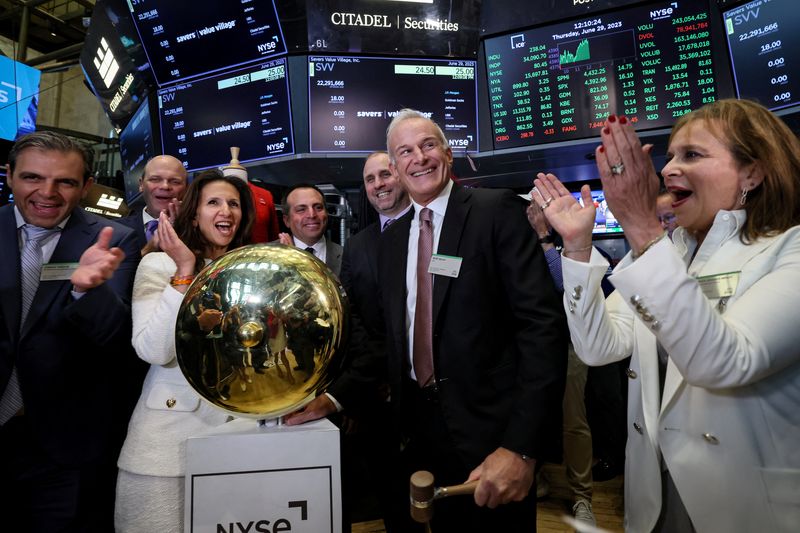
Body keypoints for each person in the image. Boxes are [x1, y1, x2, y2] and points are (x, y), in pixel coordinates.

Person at [533, 99, 800, 532]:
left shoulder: (789, 249)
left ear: (752, 172)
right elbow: (598, 346)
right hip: (655, 492)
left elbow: (726, 361)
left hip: (743, 500)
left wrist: (641, 225)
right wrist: (578, 247)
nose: (669, 169)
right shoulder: (672, 252)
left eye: (691, 155)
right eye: (671, 155)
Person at [379, 109, 567, 531]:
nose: (419, 158)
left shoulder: (496, 210)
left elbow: (542, 329)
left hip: (491, 438)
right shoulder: (390, 240)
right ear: (393, 168)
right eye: (405, 151)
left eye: (428, 145)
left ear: (447, 152)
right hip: (416, 436)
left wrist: (521, 449)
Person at [0, 131, 139, 531]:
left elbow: (115, 336)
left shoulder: (113, 241)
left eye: (65, 181)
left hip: (62, 446)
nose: (48, 193)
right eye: (32, 178)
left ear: (86, 186)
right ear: (9, 175)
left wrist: (85, 290)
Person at [115, 169, 254, 533]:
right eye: (214, 202)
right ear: (194, 214)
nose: (226, 210)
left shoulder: (250, 272)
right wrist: (185, 271)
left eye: (234, 204)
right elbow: (153, 350)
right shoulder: (159, 265)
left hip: (241, 443)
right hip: (165, 449)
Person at [286, 151, 411, 529]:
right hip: (351, 393)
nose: (311, 215)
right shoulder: (360, 246)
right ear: (287, 217)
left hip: (420, 396)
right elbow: (358, 324)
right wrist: (350, 394)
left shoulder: (349, 250)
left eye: (318, 207)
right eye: (370, 179)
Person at [526, 198, 596, 526]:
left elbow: (566, 285)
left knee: (573, 420)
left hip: (568, 344)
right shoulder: (512, 236)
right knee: (530, 414)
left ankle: (582, 496)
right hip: (527, 347)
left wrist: (543, 237)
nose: (535, 215)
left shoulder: (570, 240)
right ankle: (535, 476)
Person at [119, 154, 188, 250]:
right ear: (141, 185)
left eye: (175, 181)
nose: (165, 186)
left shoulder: (201, 231)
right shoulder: (115, 229)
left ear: (186, 188)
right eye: (155, 179)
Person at [278, 183, 342, 275]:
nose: (312, 215)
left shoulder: (347, 256)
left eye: (318, 207)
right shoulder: (267, 255)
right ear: (287, 220)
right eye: (301, 209)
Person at [221, 146, 280, 243]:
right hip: (223, 256)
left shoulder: (265, 195)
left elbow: (273, 238)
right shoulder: (210, 194)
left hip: (259, 256)